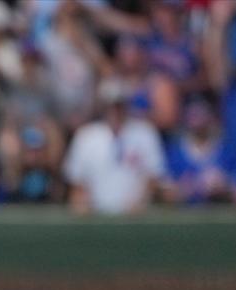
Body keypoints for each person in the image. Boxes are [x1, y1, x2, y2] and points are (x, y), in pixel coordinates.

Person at [63, 80, 166, 214]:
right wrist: (83, 205)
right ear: (103, 106)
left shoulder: (145, 133)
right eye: (110, 105)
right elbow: (77, 182)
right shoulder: (86, 136)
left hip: (136, 217)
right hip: (96, 217)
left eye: (119, 105)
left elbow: (154, 175)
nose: (115, 110)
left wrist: (140, 201)